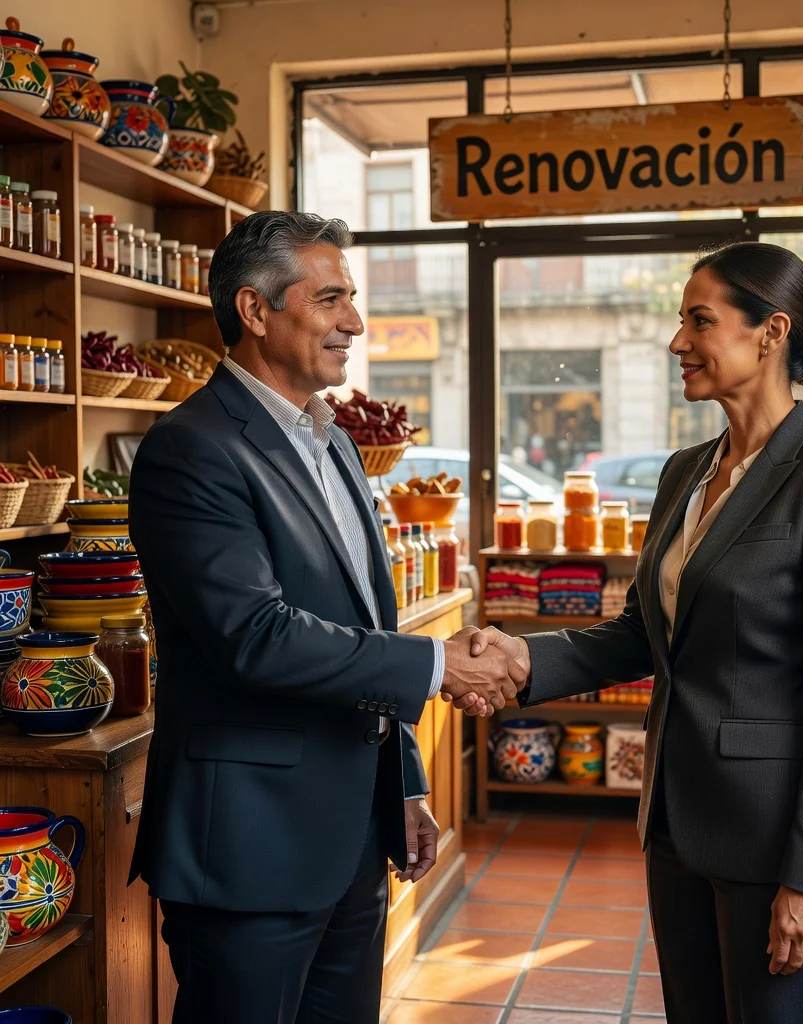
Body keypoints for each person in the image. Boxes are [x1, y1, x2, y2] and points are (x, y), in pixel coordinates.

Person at [469, 242, 803, 1024]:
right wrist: (524, 655)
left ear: (771, 333)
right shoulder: (684, 472)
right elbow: (643, 633)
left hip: (776, 847)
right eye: (680, 321)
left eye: (701, 321)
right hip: (675, 820)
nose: (677, 343)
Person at [128, 211, 524, 1024]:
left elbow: (364, 622)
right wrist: (439, 665)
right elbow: (256, 637)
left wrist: (405, 784)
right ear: (254, 310)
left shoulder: (335, 440)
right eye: (332, 298)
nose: (356, 322)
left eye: (353, 299)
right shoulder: (191, 447)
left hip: (350, 840)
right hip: (248, 848)